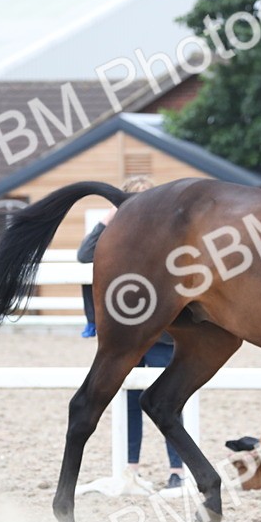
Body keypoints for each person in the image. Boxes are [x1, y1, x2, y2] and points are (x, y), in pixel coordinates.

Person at [78, 175, 186, 490]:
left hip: (166, 330)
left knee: (172, 398)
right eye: (131, 199)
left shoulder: (169, 233)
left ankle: (177, 470)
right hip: (128, 331)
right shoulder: (118, 233)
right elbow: (85, 254)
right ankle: (131, 468)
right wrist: (112, 215)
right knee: (127, 399)